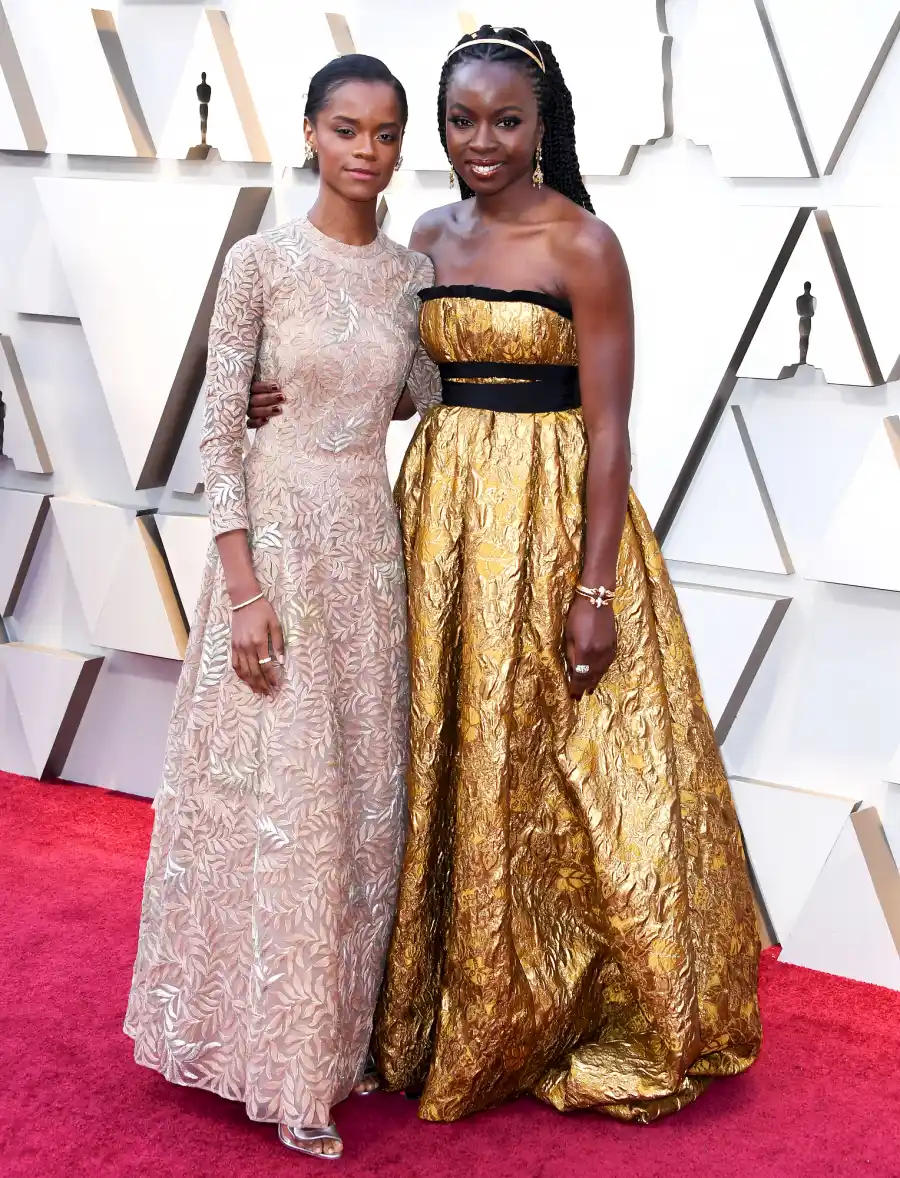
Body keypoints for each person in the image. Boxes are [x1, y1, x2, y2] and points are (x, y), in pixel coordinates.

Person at [249, 24, 761, 1127]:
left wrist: (596, 588)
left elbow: (613, 431)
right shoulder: (422, 232)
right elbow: (397, 381)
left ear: (544, 124)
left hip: (551, 520)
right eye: (461, 119)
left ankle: (545, 1001)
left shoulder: (586, 243)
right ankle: (441, 999)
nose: (482, 140)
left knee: (550, 760)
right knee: (446, 746)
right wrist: (280, 394)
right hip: (436, 520)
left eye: (506, 119)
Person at [125, 54, 439, 1160]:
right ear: (310, 132)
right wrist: (244, 586)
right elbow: (218, 430)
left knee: (357, 813)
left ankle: (332, 1038)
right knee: (280, 803)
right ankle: (279, 1061)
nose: (367, 148)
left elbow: (425, 393)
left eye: (387, 131)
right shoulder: (260, 262)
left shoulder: (411, 275)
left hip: (370, 555)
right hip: (278, 555)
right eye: (346, 127)